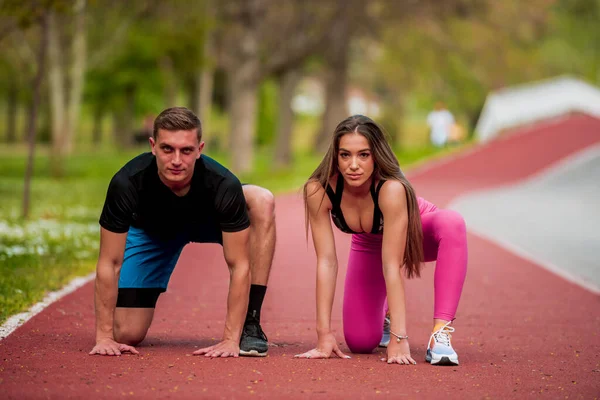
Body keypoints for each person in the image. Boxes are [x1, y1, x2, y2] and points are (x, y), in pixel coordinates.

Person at [89, 107, 275, 358]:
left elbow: (238, 265)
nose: (176, 160)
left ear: (200, 149)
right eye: (167, 149)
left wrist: (230, 340)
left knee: (262, 200)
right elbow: (109, 262)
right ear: (153, 146)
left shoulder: (223, 184)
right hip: (153, 234)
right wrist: (104, 337)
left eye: (186, 150)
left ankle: (250, 324)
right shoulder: (127, 183)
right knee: (126, 333)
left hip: (209, 223)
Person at [295, 115, 467, 366]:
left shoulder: (391, 188)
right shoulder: (319, 190)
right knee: (361, 342)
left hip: (418, 233)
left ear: (376, 155)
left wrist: (400, 338)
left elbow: (392, 266)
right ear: (335, 156)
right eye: (345, 155)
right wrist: (324, 336)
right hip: (369, 244)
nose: (353, 165)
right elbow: (327, 262)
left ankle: (440, 335)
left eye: (363, 155)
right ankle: (384, 314)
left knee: (452, 222)